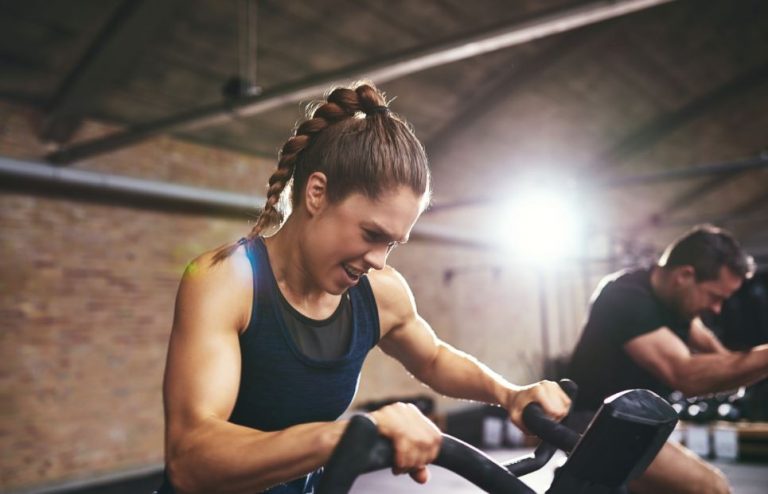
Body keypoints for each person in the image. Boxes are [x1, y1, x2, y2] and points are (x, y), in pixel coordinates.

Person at [157, 82, 571, 494]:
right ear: (317, 194)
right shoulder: (225, 282)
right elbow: (191, 459)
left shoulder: (379, 291)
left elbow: (433, 359)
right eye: (371, 233)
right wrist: (348, 435)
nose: (379, 259)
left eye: (391, 243)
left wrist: (510, 394)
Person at [567, 225, 768, 494]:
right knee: (711, 488)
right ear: (685, 276)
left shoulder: (676, 304)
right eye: (715, 297)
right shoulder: (625, 298)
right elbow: (685, 374)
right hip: (594, 423)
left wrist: (736, 370)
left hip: (638, 424)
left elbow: (716, 352)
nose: (717, 309)